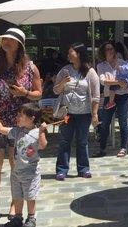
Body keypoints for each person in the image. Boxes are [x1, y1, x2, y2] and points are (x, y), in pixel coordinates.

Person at [0, 28, 42, 222]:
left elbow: (39, 94)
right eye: (5, 38)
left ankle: (15, 208)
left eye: (11, 39)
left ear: (20, 45)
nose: (6, 41)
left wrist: (24, 93)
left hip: (20, 123)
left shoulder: (30, 67)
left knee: (18, 166)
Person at [0, 103, 47, 227]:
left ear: (32, 118)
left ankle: (31, 218)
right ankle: (18, 217)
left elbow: (42, 145)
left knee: (30, 196)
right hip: (16, 171)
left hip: (30, 173)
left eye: (21, 115)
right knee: (17, 195)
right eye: (18, 114)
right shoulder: (16, 131)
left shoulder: (37, 132)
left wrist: (41, 132)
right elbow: (1, 129)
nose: (17, 117)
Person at [53, 42, 100, 181]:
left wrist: (95, 114)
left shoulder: (90, 72)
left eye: (70, 52)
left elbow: (96, 96)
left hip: (84, 114)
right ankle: (62, 170)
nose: (68, 55)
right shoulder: (65, 71)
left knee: (82, 142)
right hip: (67, 113)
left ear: (78, 54)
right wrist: (63, 83)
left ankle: (84, 169)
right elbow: (56, 90)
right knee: (65, 141)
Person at [94, 41, 128, 158]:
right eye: (107, 49)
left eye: (111, 49)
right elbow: (103, 81)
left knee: (123, 122)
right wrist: (117, 82)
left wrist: (124, 83)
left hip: (123, 95)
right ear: (103, 52)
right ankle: (102, 148)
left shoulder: (122, 63)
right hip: (108, 96)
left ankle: (123, 148)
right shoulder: (101, 66)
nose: (110, 51)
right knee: (105, 123)